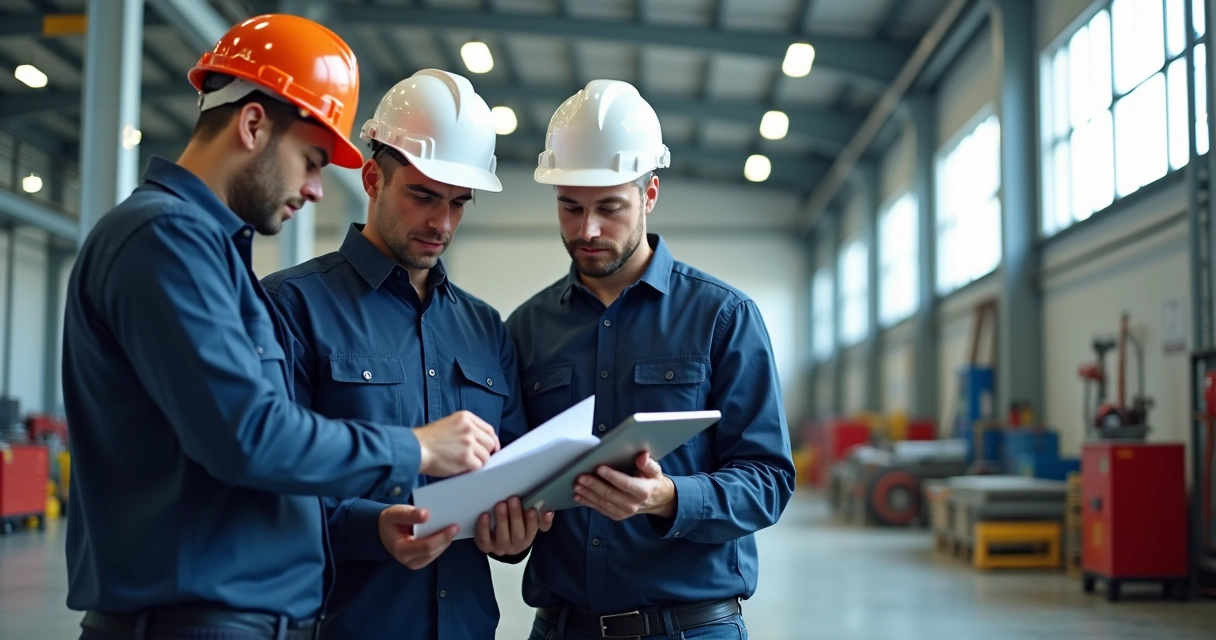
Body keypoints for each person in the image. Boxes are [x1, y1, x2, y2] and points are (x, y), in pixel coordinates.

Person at [60, 16, 498, 640]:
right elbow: (247, 433)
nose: (317, 189)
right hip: (187, 622)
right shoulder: (166, 238)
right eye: (312, 161)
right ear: (252, 125)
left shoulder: (207, 252)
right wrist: (416, 448)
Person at [261, 68, 552, 640]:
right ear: (372, 178)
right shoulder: (290, 305)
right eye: (423, 196)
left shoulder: (485, 328)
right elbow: (264, 482)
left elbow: (514, 473)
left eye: (459, 203)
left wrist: (514, 533)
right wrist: (368, 528)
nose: (442, 222)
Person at [505, 79, 797, 640]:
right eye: (570, 207)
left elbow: (768, 479)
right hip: (562, 628)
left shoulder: (723, 316)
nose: (587, 230)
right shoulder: (526, 329)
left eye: (609, 207)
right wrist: (507, 529)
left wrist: (669, 498)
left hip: (689, 627)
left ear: (650, 194)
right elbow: (511, 479)